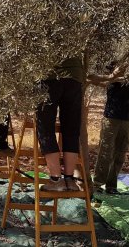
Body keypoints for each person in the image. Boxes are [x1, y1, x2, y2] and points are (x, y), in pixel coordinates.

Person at [88, 63, 129, 194]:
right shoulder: (110, 81)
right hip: (110, 119)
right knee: (105, 152)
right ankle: (97, 184)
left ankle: (111, 186)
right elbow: (92, 78)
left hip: (125, 121)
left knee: (120, 153)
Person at [35, 56, 85, 191]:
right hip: (74, 76)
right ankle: (69, 179)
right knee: (71, 130)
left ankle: (55, 180)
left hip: (50, 75)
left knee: (45, 128)